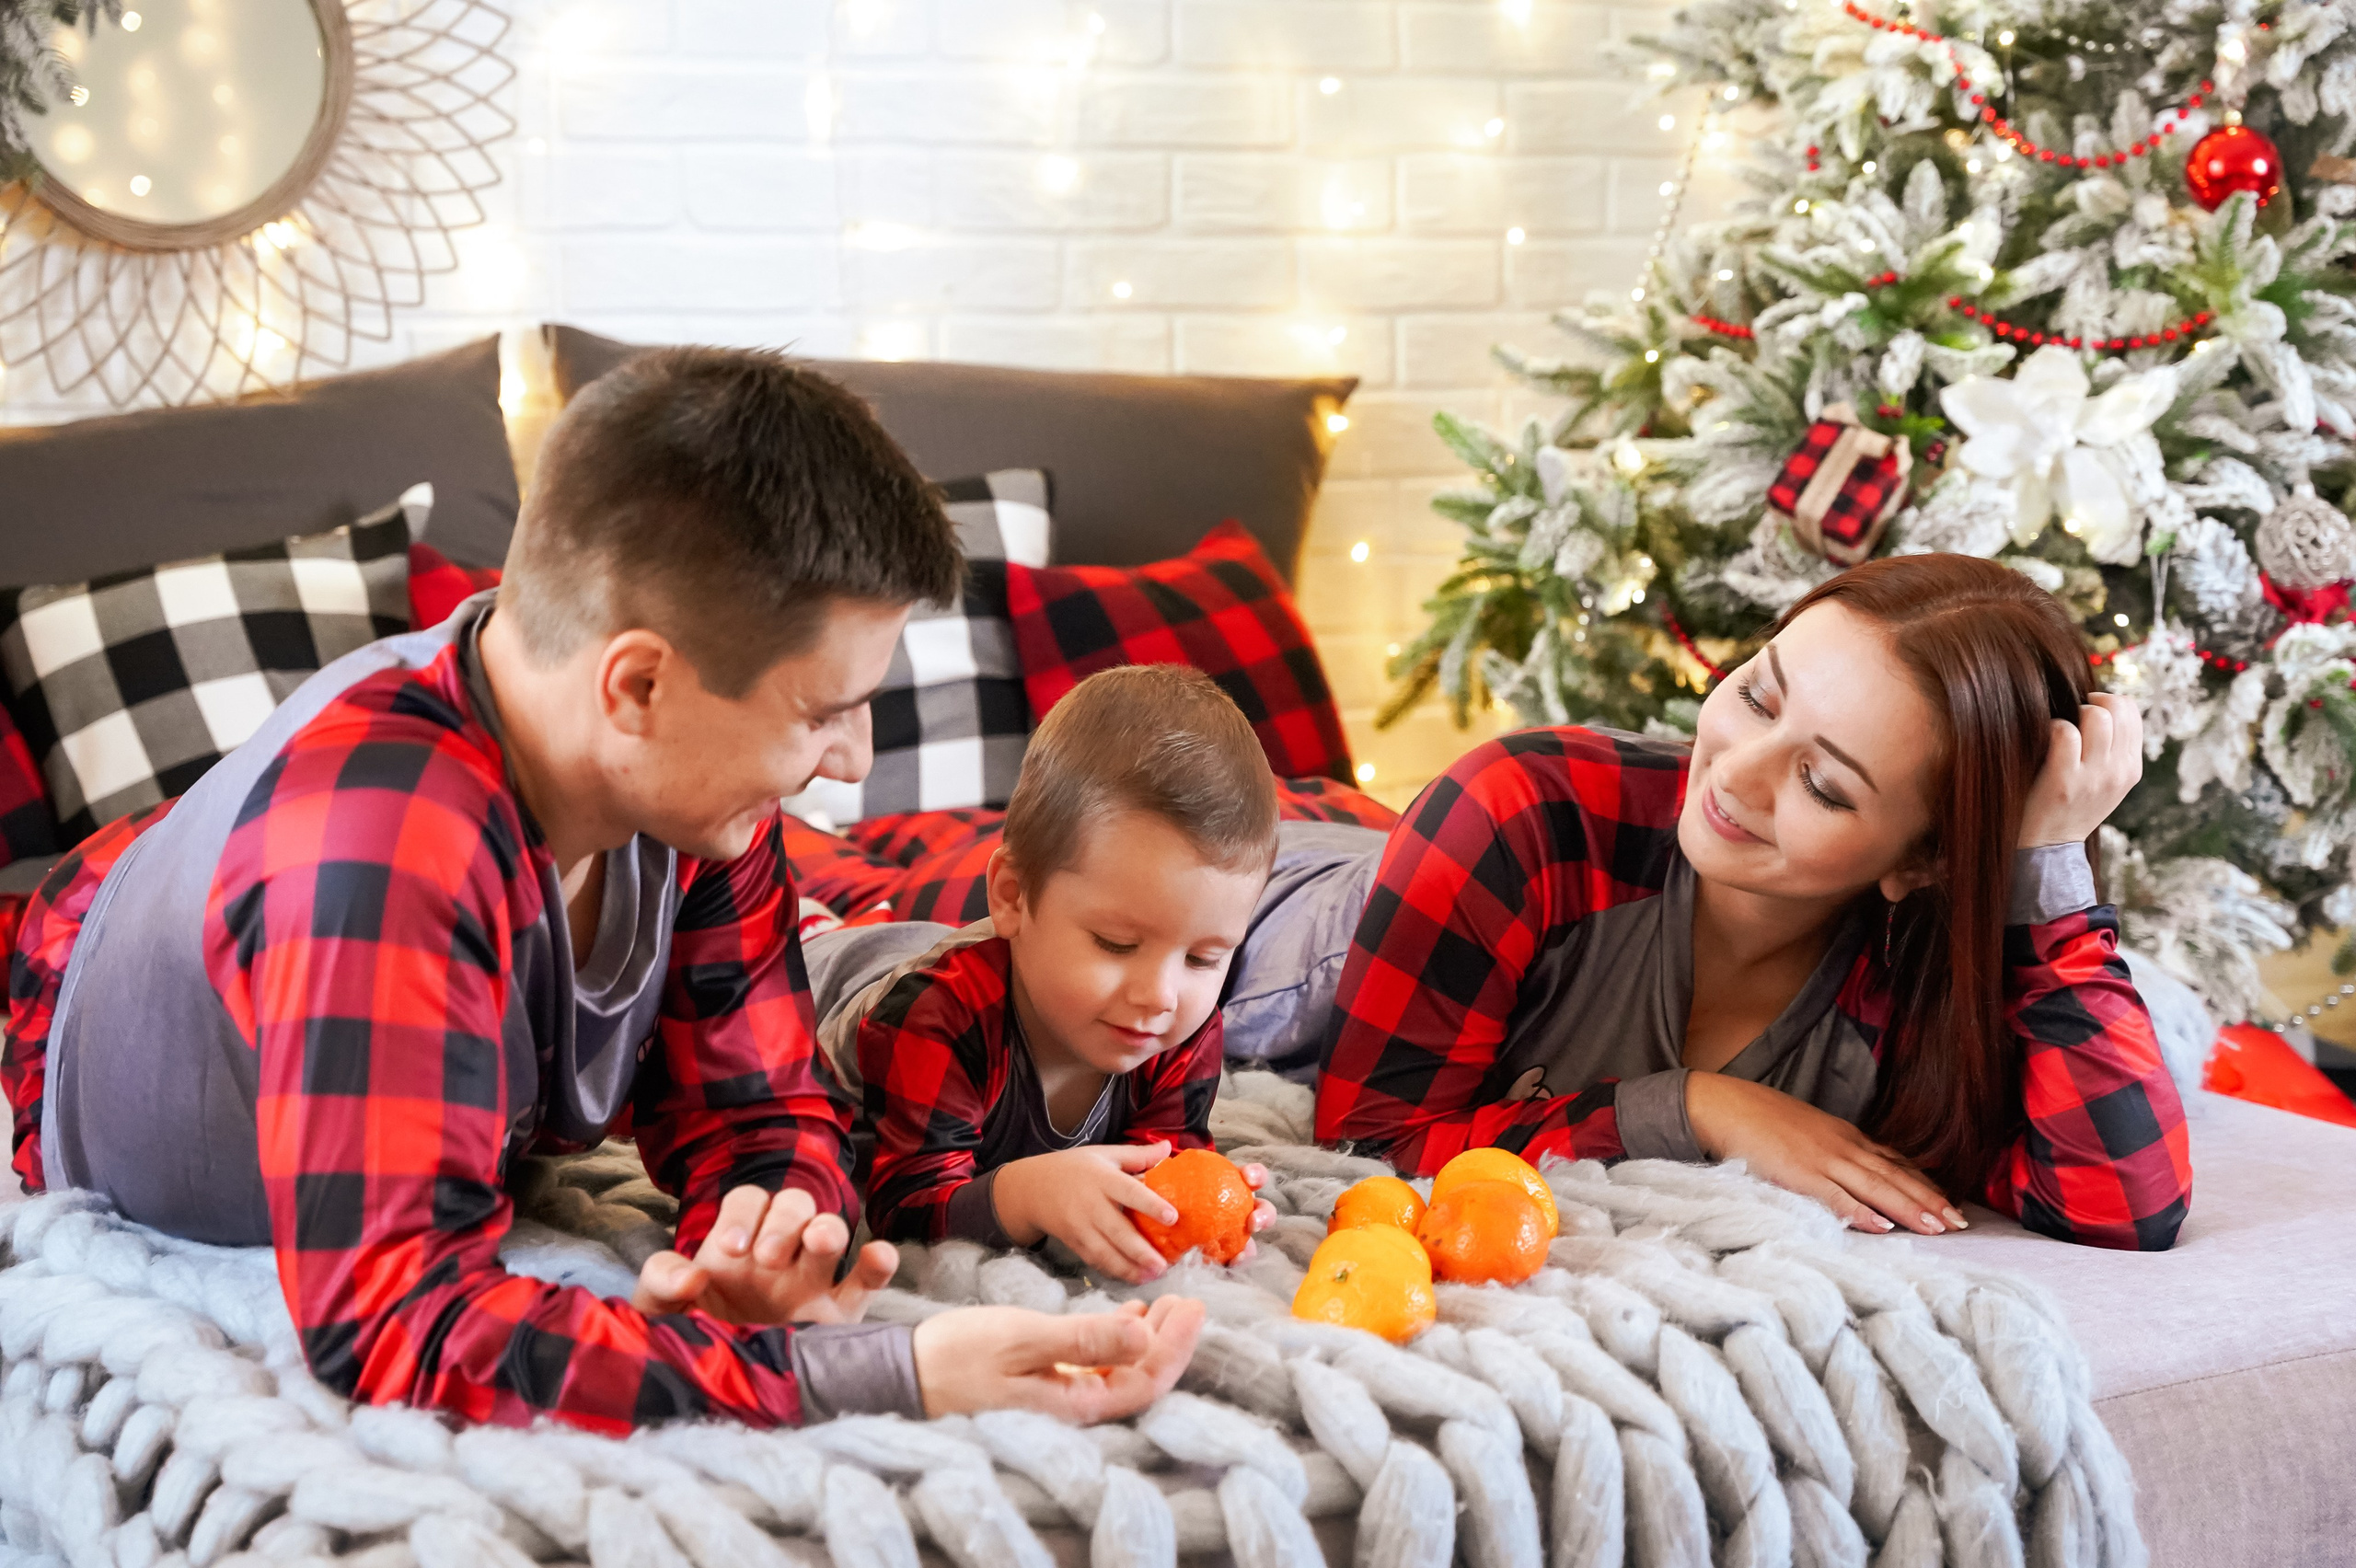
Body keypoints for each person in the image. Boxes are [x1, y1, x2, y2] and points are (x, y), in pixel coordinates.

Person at [3, 347, 1203, 1432]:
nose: (848, 761)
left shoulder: (697, 804)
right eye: (820, 711)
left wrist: (775, 1225)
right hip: (69, 995)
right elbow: (392, 1326)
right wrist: (897, 1375)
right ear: (636, 686)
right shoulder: (381, 844)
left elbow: (762, 1106)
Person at [1313, 554, 2187, 1251]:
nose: (1735, 773)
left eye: (1823, 784)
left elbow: (2123, 1201)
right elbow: (1362, 1147)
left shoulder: (1918, 984)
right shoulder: (1521, 811)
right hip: (1299, 889)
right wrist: (1696, 1107)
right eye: (1758, 696)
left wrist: (2048, 868)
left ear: (1922, 862)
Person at [804, 665, 1281, 1283]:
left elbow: (1164, 1164)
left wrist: (1203, 1204)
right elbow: (902, 1207)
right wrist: (1028, 1195)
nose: (1160, 995)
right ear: (1012, 896)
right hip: (838, 973)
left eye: (1203, 959)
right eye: (1116, 943)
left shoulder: (1182, 1026)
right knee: (802, 934)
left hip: (944, 949)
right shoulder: (933, 1015)